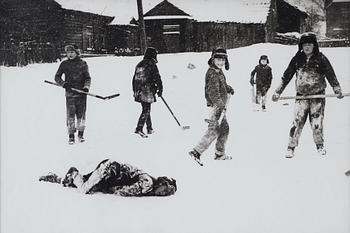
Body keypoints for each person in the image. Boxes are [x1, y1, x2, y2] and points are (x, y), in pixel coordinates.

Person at [271, 33, 343, 158]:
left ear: (314, 46)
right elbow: (287, 75)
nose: (307, 47)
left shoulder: (321, 58)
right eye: (305, 44)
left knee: (317, 122)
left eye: (310, 44)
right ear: (301, 46)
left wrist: (336, 88)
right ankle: (291, 147)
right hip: (301, 96)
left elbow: (330, 74)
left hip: (317, 96)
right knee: (297, 122)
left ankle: (320, 146)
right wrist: (278, 91)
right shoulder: (297, 59)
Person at [188, 48, 234, 165]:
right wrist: (220, 104)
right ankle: (196, 151)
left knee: (224, 129)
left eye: (223, 60)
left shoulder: (217, 71)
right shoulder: (213, 73)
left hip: (219, 106)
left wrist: (227, 88)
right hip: (215, 107)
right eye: (218, 60)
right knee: (213, 130)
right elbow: (213, 92)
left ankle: (219, 154)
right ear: (213, 59)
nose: (221, 63)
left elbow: (220, 85)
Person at [39, 159, 177, 197]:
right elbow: (124, 191)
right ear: (161, 183)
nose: (162, 194)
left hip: (110, 170)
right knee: (84, 189)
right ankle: (73, 172)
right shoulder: (148, 183)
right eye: (164, 190)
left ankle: (56, 178)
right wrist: (110, 190)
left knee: (80, 183)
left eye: (165, 194)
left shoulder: (149, 182)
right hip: (109, 171)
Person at [55, 44, 91, 144]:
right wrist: (63, 84)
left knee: (81, 115)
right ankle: (71, 136)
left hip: (81, 94)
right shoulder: (64, 64)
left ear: (76, 52)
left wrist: (86, 87)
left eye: (72, 52)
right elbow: (57, 77)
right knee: (70, 116)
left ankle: (81, 134)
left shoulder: (83, 63)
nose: (70, 54)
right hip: (70, 95)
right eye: (68, 52)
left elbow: (87, 78)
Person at [132, 47, 163, 138]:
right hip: (147, 90)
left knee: (146, 108)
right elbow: (157, 78)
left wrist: (134, 90)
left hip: (139, 89)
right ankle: (139, 128)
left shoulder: (139, 64)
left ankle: (149, 128)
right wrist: (160, 89)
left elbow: (134, 79)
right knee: (146, 109)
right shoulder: (151, 64)